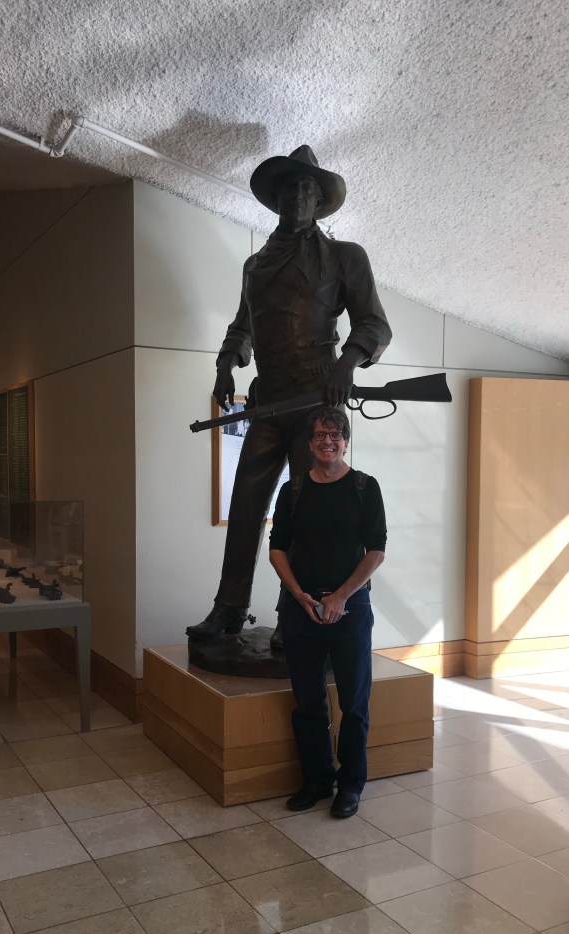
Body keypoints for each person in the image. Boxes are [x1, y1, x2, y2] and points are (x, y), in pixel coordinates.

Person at [187, 145, 391, 642]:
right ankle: (229, 607)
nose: (297, 196)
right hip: (268, 400)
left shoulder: (343, 256)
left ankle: (292, 615)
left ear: (318, 200)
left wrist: (346, 364)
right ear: (275, 199)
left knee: (305, 513)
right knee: (245, 507)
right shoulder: (256, 265)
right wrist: (224, 363)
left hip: (316, 402)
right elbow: (244, 326)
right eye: (289, 188)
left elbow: (374, 325)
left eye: (306, 188)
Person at [269, 407, 386, 818]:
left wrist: (340, 597)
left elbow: (376, 550)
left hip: (350, 610)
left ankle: (350, 785)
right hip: (300, 609)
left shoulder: (365, 487)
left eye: (335, 434)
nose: (327, 441)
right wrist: (297, 593)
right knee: (307, 701)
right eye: (320, 435)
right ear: (310, 444)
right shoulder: (293, 490)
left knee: (354, 702)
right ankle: (317, 780)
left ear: (345, 441)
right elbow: (277, 547)